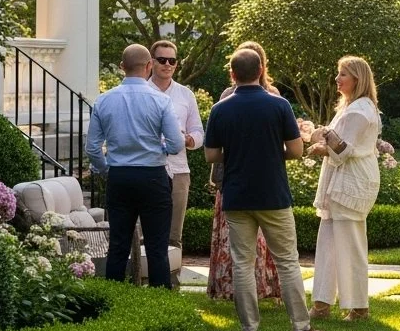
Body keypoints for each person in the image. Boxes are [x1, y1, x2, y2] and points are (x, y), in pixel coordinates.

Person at [203, 48, 321, 331]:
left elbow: (210, 155)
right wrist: (270, 151)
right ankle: (300, 324)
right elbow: (296, 150)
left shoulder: (220, 109)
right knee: (287, 260)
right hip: (273, 194)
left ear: (232, 74)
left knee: (242, 262)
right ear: (260, 71)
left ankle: (249, 326)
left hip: (237, 195)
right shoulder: (278, 105)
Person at [86, 43, 183, 288]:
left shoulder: (104, 101)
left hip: (120, 176)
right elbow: (175, 144)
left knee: (118, 245)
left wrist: (107, 169)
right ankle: (160, 306)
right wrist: (159, 148)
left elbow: (92, 148)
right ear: (149, 66)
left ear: (122, 67)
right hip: (153, 176)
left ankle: (113, 301)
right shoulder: (161, 101)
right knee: (157, 247)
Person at [307, 56, 382, 321]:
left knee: (350, 244)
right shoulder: (351, 107)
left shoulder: (360, 110)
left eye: (343, 75)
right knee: (328, 242)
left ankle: (359, 306)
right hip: (342, 180)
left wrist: (320, 144)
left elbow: (343, 149)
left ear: (358, 79)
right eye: (338, 73)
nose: (337, 79)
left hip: (351, 182)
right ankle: (321, 303)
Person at [207, 41, 283, 301]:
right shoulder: (272, 99)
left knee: (242, 249)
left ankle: (249, 305)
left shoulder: (231, 100)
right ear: (260, 67)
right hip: (259, 180)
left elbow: (212, 149)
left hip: (236, 179)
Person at [147, 39, 204, 288]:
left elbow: (200, 133)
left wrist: (189, 139)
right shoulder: (143, 92)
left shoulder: (184, 94)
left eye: (172, 61)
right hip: (148, 167)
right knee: (144, 231)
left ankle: (173, 285)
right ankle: (143, 283)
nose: (167, 65)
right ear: (151, 62)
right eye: (162, 60)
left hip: (179, 169)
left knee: (174, 234)